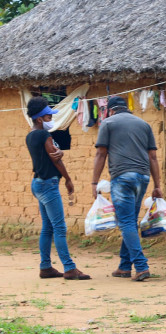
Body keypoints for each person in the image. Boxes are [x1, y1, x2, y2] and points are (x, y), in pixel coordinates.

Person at [91, 96, 162, 281]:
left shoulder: (108, 123)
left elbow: (101, 153)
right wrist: (158, 185)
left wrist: (94, 182)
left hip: (122, 177)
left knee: (126, 222)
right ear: (126, 108)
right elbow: (153, 157)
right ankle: (124, 266)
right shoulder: (144, 124)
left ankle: (141, 266)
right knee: (130, 220)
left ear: (111, 110)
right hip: (143, 177)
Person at [25, 96, 91, 280]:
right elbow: (56, 158)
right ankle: (69, 268)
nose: (50, 119)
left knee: (48, 227)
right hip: (48, 184)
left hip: (37, 182)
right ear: (39, 119)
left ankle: (45, 267)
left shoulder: (30, 135)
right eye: (48, 116)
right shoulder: (44, 135)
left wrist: (57, 152)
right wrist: (68, 179)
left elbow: (50, 155)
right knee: (59, 228)